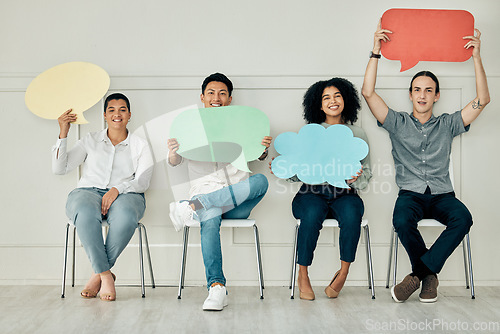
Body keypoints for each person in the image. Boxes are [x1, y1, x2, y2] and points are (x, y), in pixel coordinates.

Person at [361, 21, 490, 303]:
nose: (422, 95)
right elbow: (368, 93)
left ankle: (418, 274)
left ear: (436, 95)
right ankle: (429, 277)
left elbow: (483, 99)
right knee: (402, 220)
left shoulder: (448, 124)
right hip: (411, 195)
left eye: (428, 90)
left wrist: (477, 57)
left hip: (443, 194)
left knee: (463, 218)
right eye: (417, 89)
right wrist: (375, 52)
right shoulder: (396, 123)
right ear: (410, 94)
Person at [167, 73, 272, 311]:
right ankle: (216, 288)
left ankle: (192, 207)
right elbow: (174, 162)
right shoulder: (190, 126)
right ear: (202, 97)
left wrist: (262, 150)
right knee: (210, 218)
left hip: (237, 202)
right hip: (207, 196)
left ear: (230, 98)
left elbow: (256, 156)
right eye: (212, 93)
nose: (217, 98)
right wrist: (173, 151)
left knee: (260, 181)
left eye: (222, 93)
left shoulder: (243, 124)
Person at [272, 77, 372, 300]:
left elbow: (366, 174)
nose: (332, 101)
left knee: (352, 214)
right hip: (311, 193)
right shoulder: (310, 132)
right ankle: (303, 273)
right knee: (312, 214)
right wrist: (284, 168)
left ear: (346, 100)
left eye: (337, 96)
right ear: (318, 104)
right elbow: (300, 171)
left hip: (344, 193)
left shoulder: (358, 134)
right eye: (326, 97)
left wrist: (354, 179)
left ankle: (343, 272)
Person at [52, 93, 154, 301]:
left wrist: (118, 189)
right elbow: (59, 168)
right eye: (112, 110)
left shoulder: (140, 145)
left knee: (126, 217)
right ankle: (106, 275)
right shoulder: (89, 140)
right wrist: (64, 132)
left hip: (127, 194)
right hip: (87, 192)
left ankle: (96, 274)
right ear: (105, 115)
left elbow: (143, 182)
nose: (117, 114)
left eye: (122, 109)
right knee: (85, 212)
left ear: (129, 115)